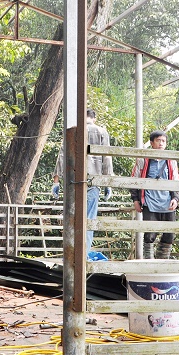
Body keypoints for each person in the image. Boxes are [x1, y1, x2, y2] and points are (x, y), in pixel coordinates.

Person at [52, 108, 113, 256]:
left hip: (73, 181)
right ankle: (83, 255)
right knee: (88, 219)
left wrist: (56, 181)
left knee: (72, 218)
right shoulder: (101, 132)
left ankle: (71, 255)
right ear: (94, 118)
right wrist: (108, 182)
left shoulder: (73, 131)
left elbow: (62, 155)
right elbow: (107, 157)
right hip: (93, 181)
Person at [130, 130, 179, 259]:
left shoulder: (171, 161)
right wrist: (136, 200)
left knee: (169, 233)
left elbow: (176, 180)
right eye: (158, 140)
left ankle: (162, 262)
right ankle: (149, 264)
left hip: (167, 201)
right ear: (152, 143)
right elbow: (134, 179)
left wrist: (176, 198)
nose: (161, 143)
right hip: (149, 201)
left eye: (163, 141)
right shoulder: (143, 160)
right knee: (150, 234)